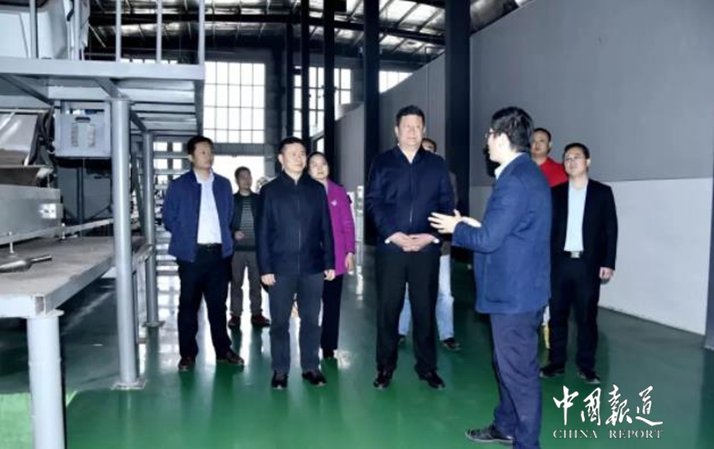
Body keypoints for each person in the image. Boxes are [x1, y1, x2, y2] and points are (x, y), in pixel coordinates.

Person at [430, 107, 550, 449]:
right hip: (520, 289)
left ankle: (527, 443)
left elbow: (487, 240)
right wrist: (470, 224)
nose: (486, 142)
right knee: (506, 363)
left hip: (515, 295)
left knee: (519, 374)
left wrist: (456, 228)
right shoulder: (524, 173)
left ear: (502, 136)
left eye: (489, 135)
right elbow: (507, 232)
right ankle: (506, 425)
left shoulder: (515, 180)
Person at [365, 105, 454, 390]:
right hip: (392, 249)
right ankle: (385, 367)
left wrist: (431, 235)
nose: (413, 132)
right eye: (407, 126)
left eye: (417, 127)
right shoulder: (382, 162)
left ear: (424, 129)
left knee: (424, 309)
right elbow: (374, 202)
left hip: (426, 250)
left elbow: (446, 203)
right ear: (397, 130)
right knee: (388, 309)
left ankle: (427, 368)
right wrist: (392, 234)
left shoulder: (436, 164)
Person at [257, 137, 335, 389]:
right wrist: (265, 268)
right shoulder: (270, 191)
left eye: (302, 153)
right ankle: (280, 370)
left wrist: (329, 261)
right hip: (280, 268)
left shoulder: (316, 190)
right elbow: (262, 233)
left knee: (311, 320)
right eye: (293, 154)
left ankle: (311, 367)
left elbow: (326, 228)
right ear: (281, 159)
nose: (299, 158)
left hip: (313, 267)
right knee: (280, 322)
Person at [162, 135, 244, 371]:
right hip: (191, 256)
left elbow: (228, 215)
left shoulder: (223, 184)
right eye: (203, 152)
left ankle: (223, 350)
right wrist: (186, 235)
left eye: (210, 152)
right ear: (191, 157)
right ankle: (187, 354)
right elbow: (169, 218)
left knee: (218, 306)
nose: (208, 156)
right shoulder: (179, 186)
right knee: (188, 306)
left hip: (218, 255)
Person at [540, 143, 618, 385]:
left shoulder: (602, 193)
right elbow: (547, 230)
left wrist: (608, 262)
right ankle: (556, 362)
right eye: (567, 158)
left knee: (586, 317)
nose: (571, 161)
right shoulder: (555, 193)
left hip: (587, 264)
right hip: (559, 263)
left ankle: (586, 366)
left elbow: (611, 230)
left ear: (588, 161)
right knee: (557, 316)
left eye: (576, 157)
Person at [398, 137, 461, 351]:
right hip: (409, 244)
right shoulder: (403, 175)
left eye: (430, 150)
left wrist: (430, 234)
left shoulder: (448, 177)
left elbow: (449, 209)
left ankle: (447, 334)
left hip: (439, 246)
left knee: (444, 293)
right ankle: (400, 331)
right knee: (407, 291)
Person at [306, 152, 356, 360]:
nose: (319, 168)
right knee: (310, 305)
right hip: (309, 259)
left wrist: (349, 252)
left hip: (335, 258)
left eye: (323, 163)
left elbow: (348, 224)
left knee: (332, 304)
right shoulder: (303, 191)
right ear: (308, 169)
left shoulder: (338, 192)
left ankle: (328, 345)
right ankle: (308, 343)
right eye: (314, 164)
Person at [228, 166, 270, 329]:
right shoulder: (231, 200)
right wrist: (233, 233)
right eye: (243, 177)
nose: (247, 180)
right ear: (236, 180)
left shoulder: (259, 200)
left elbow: (267, 221)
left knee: (256, 283)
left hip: (256, 250)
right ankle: (235, 315)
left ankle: (257, 314)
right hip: (237, 251)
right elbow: (224, 222)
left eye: (249, 176)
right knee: (236, 283)